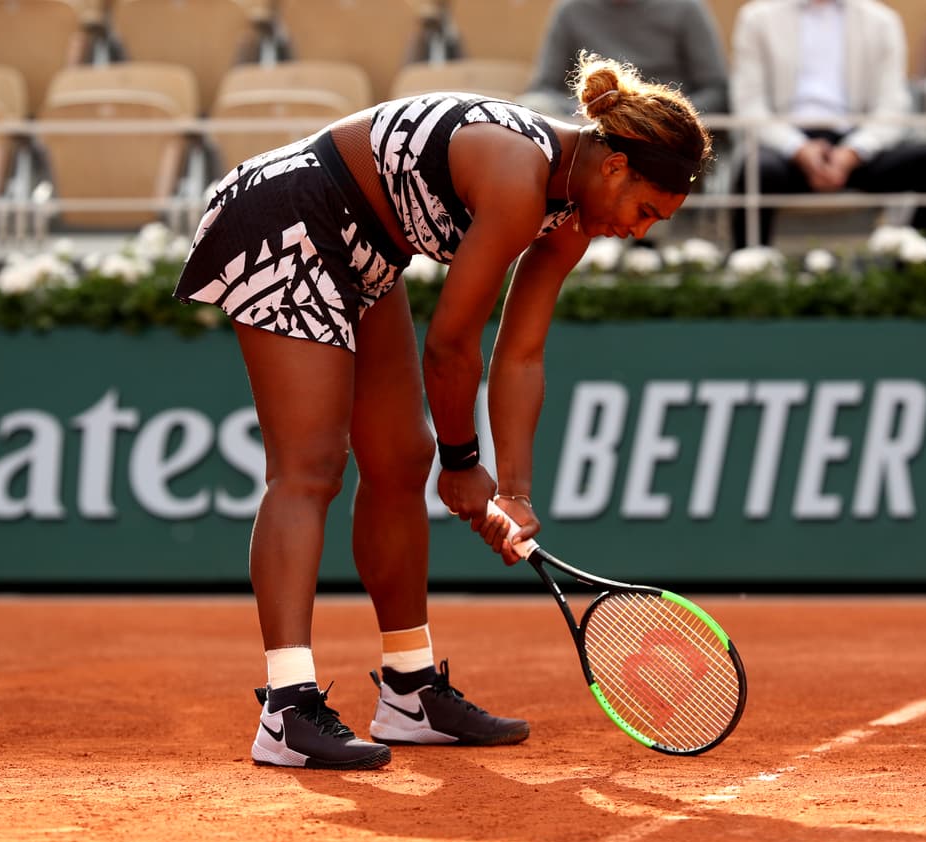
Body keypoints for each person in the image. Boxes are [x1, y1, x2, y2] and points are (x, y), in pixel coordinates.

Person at [172, 53, 712, 770]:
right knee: (310, 466)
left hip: (367, 248)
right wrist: (465, 464)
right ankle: (286, 705)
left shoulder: (571, 218)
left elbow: (519, 356)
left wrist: (513, 492)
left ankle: (409, 688)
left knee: (400, 459)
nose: (641, 230)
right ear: (614, 167)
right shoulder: (522, 179)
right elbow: (452, 346)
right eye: (646, 211)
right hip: (285, 213)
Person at [729, 0, 926, 249]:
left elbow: (892, 106)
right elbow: (749, 105)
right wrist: (798, 148)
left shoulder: (882, 21)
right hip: (784, 146)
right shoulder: (757, 18)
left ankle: (914, 271)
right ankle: (751, 272)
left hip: (858, 144)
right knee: (754, 170)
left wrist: (853, 152)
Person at [519, 0, 730, 120]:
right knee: (531, 107)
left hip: (665, 133)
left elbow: (716, 90)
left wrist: (665, 114)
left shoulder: (686, 9)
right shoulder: (570, 11)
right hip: (589, 129)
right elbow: (543, 89)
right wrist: (585, 111)